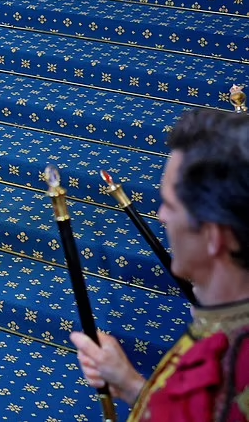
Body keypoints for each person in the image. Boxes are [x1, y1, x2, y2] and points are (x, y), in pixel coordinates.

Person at [71, 108, 249, 421]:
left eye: (169, 204)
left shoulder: (234, 365)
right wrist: (129, 384)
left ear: (212, 236)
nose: (161, 216)